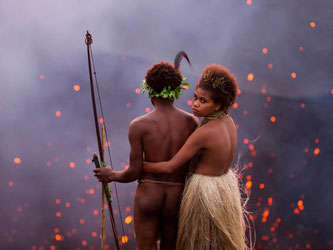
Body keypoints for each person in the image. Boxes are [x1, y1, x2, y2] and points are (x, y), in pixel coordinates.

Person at [93, 52, 198, 250]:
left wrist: (111, 175)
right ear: (176, 91)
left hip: (150, 194)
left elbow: (134, 172)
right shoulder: (191, 122)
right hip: (178, 197)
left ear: (148, 89)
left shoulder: (139, 125)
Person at [143, 64, 248, 250]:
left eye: (203, 101)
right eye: (195, 97)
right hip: (224, 188)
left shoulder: (204, 132)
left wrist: (140, 167)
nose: (195, 104)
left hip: (204, 193)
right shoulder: (229, 123)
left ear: (218, 104)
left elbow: (169, 167)